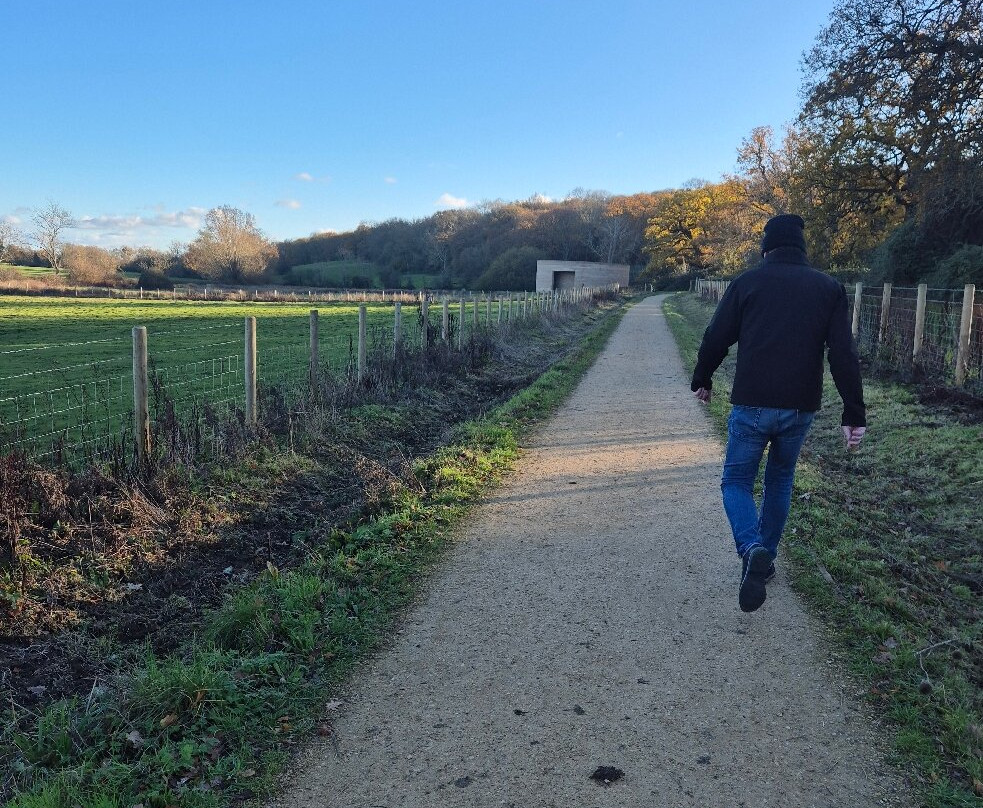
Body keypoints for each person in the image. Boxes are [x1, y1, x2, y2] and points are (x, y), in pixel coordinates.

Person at [691, 214, 867, 613]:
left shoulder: (747, 283)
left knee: (736, 480)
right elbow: (843, 354)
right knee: (780, 481)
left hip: (752, 402)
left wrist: (703, 377)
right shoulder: (827, 288)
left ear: (765, 249)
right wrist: (853, 412)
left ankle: (752, 548)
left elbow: (716, 336)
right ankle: (765, 557)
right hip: (800, 407)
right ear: (802, 249)